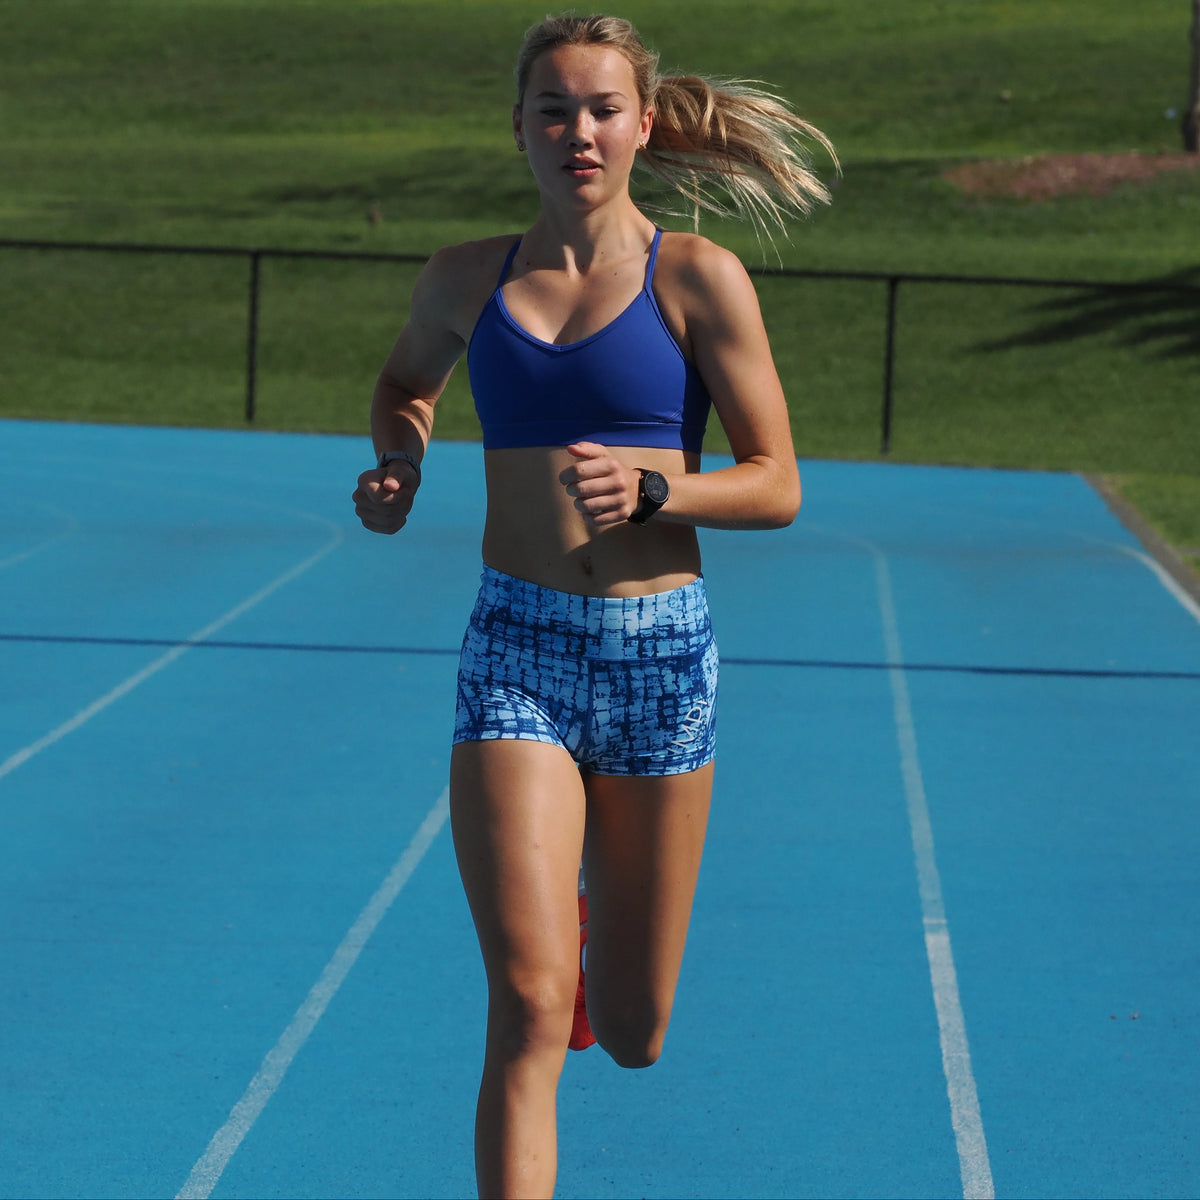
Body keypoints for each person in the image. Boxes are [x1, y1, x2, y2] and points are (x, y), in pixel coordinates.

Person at [352, 13, 835, 1198]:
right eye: (555, 110)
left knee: (631, 1030)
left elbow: (777, 483)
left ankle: (586, 969)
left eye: (603, 110)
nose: (579, 132)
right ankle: (547, 962)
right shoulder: (465, 278)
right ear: (517, 127)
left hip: (658, 659)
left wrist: (661, 487)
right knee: (524, 1002)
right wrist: (400, 461)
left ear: (643, 126)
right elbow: (405, 381)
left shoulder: (696, 278)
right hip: (514, 650)